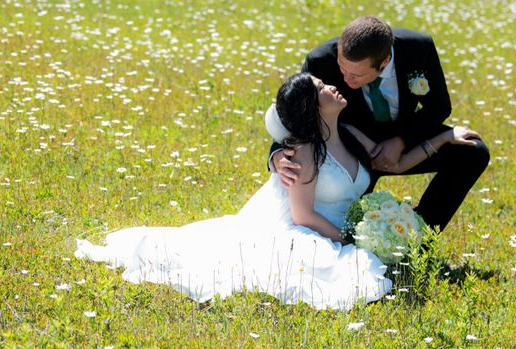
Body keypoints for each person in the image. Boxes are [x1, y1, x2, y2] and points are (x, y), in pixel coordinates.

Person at [76, 73, 479, 310]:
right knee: (334, 276)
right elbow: (302, 216)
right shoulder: (303, 151)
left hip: (332, 226)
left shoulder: (348, 132)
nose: (334, 89)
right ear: (311, 106)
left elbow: (393, 163)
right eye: (323, 88)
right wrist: (349, 238)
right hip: (307, 230)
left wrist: (444, 137)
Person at [270, 16, 489, 232]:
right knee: (350, 220)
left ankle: (418, 236)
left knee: (473, 151)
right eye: (342, 68)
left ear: (384, 63)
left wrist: (402, 141)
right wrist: (278, 154)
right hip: (351, 149)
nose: (345, 80)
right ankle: (373, 235)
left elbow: (439, 107)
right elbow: (296, 111)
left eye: (356, 75)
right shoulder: (320, 60)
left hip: (406, 133)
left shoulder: (418, 48)